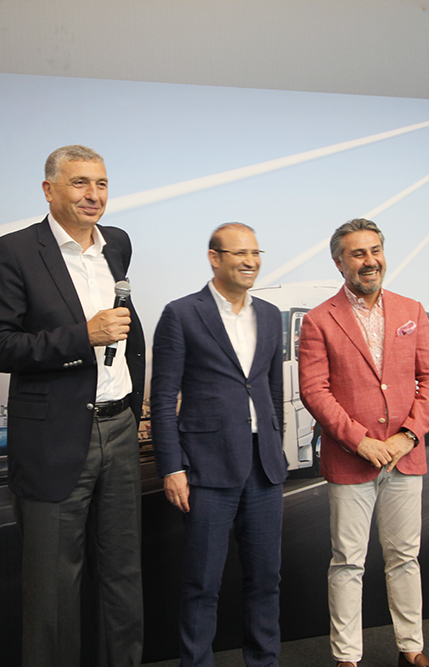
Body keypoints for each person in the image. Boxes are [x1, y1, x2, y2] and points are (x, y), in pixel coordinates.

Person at [0, 145, 144, 667]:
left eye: (101, 183)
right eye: (79, 183)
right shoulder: (12, 251)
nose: (93, 194)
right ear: (49, 190)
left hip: (119, 427)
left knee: (123, 577)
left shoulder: (117, 243)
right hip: (54, 439)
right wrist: (83, 335)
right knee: (52, 590)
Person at [298, 219, 429, 667]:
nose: (370, 261)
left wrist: (407, 436)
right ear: (339, 262)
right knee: (348, 561)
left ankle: (411, 649)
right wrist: (360, 442)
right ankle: (347, 657)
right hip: (351, 459)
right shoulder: (318, 320)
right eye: (358, 253)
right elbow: (315, 391)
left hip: (404, 457)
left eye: (375, 250)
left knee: (405, 557)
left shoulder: (411, 310)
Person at [150, 223, 288, 667]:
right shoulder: (181, 314)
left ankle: (263, 662)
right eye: (240, 253)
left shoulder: (271, 315)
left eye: (256, 253)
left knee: (265, 580)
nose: (251, 261)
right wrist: (172, 468)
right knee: (202, 584)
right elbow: (163, 395)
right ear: (214, 258)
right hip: (206, 470)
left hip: (264, 468)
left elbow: (271, 387)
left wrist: (277, 447)